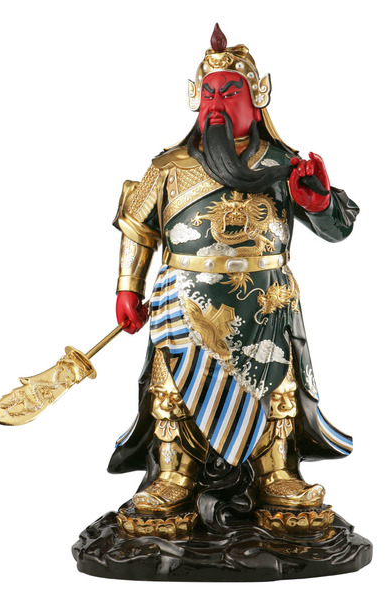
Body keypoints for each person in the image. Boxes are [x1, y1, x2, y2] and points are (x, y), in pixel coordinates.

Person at [109, 24, 358, 515]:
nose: (216, 103)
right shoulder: (168, 167)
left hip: (264, 300)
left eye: (229, 91)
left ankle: (277, 474)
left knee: (274, 385)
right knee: (173, 387)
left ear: (256, 98)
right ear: (194, 99)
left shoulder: (285, 165)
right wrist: (127, 288)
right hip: (183, 298)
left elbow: (337, 228)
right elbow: (138, 228)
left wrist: (319, 201)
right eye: (208, 93)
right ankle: (174, 475)